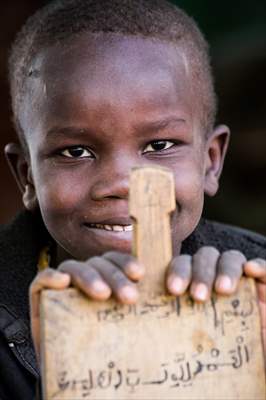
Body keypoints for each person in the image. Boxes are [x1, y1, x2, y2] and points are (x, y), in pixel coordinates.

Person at [0, 0, 265, 399]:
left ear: (211, 162)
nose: (123, 183)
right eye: (75, 152)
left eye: (159, 145)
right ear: (28, 176)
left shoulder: (257, 290)